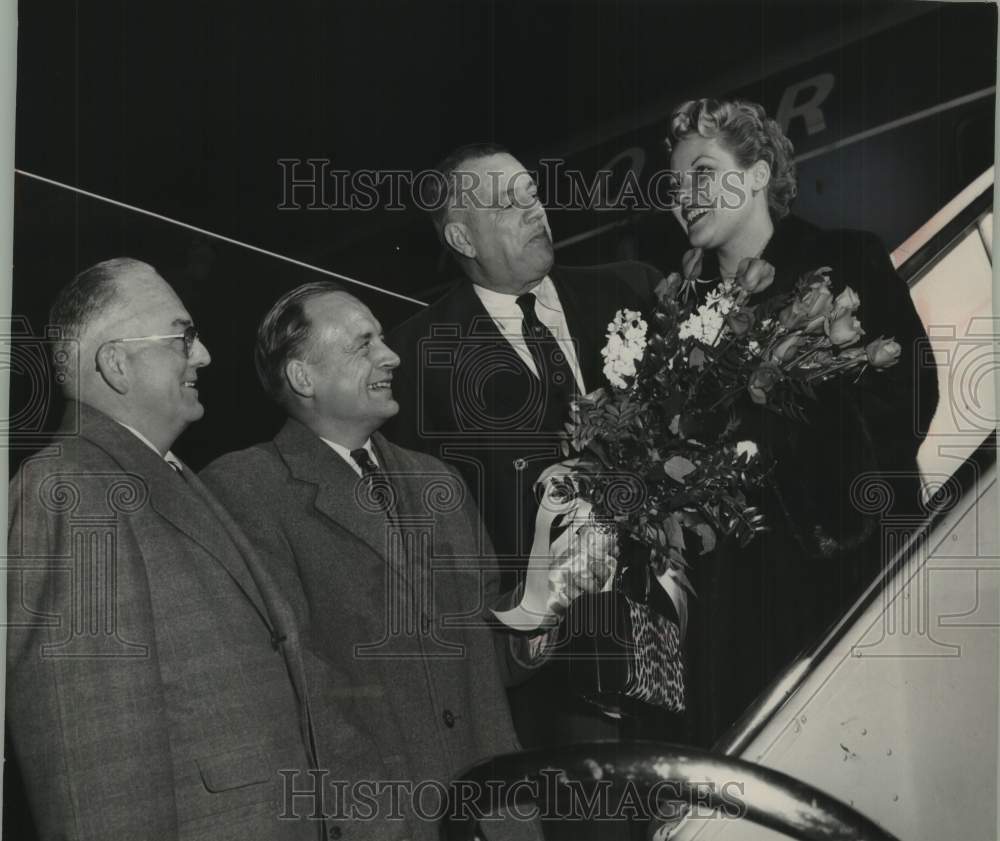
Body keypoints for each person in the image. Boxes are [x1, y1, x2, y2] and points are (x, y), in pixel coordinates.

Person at [201, 283, 548, 841]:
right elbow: (295, 691)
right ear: (303, 377)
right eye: (364, 345)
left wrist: (545, 597)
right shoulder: (245, 490)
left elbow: (493, 665)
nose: (391, 356)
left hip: (497, 820)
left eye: (383, 340)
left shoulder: (440, 482)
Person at [6, 258, 331, 841]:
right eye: (183, 336)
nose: (202, 355)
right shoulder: (71, 491)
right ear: (116, 363)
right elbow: (96, 774)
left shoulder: (164, 476)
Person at [665, 98, 939, 745]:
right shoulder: (679, 325)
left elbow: (908, 396)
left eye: (702, 172)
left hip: (850, 582)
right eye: (675, 186)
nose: (684, 196)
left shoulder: (847, 260)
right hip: (739, 629)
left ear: (758, 174)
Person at [385, 143, 668, 749]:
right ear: (462, 238)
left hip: (671, 625)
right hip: (550, 670)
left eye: (532, 193)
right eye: (508, 203)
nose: (535, 209)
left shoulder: (633, 291)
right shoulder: (413, 358)